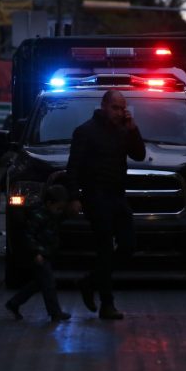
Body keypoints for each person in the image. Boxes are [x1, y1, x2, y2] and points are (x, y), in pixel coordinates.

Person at [66, 89, 146, 320]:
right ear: (103, 106)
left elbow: (139, 155)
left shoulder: (123, 131)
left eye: (123, 108)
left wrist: (133, 130)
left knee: (128, 245)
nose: (119, 112)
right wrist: (74, 196)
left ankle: (89, 282)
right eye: (115, 108)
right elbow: (74, 167)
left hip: (117, 196)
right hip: (96, 196)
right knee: (104, 249)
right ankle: (107, 303)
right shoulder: (85, 132)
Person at [5, 185, 72, 322]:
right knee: (49, 283)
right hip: (39, 254)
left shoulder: (50, 215)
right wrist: (36, 252)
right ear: (49, 203)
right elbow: (29, 235)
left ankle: (14, 303)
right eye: (58, 208)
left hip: (45, 253)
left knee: (39, 283)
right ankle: (55, 312)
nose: (59, 212)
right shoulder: (39, 216)